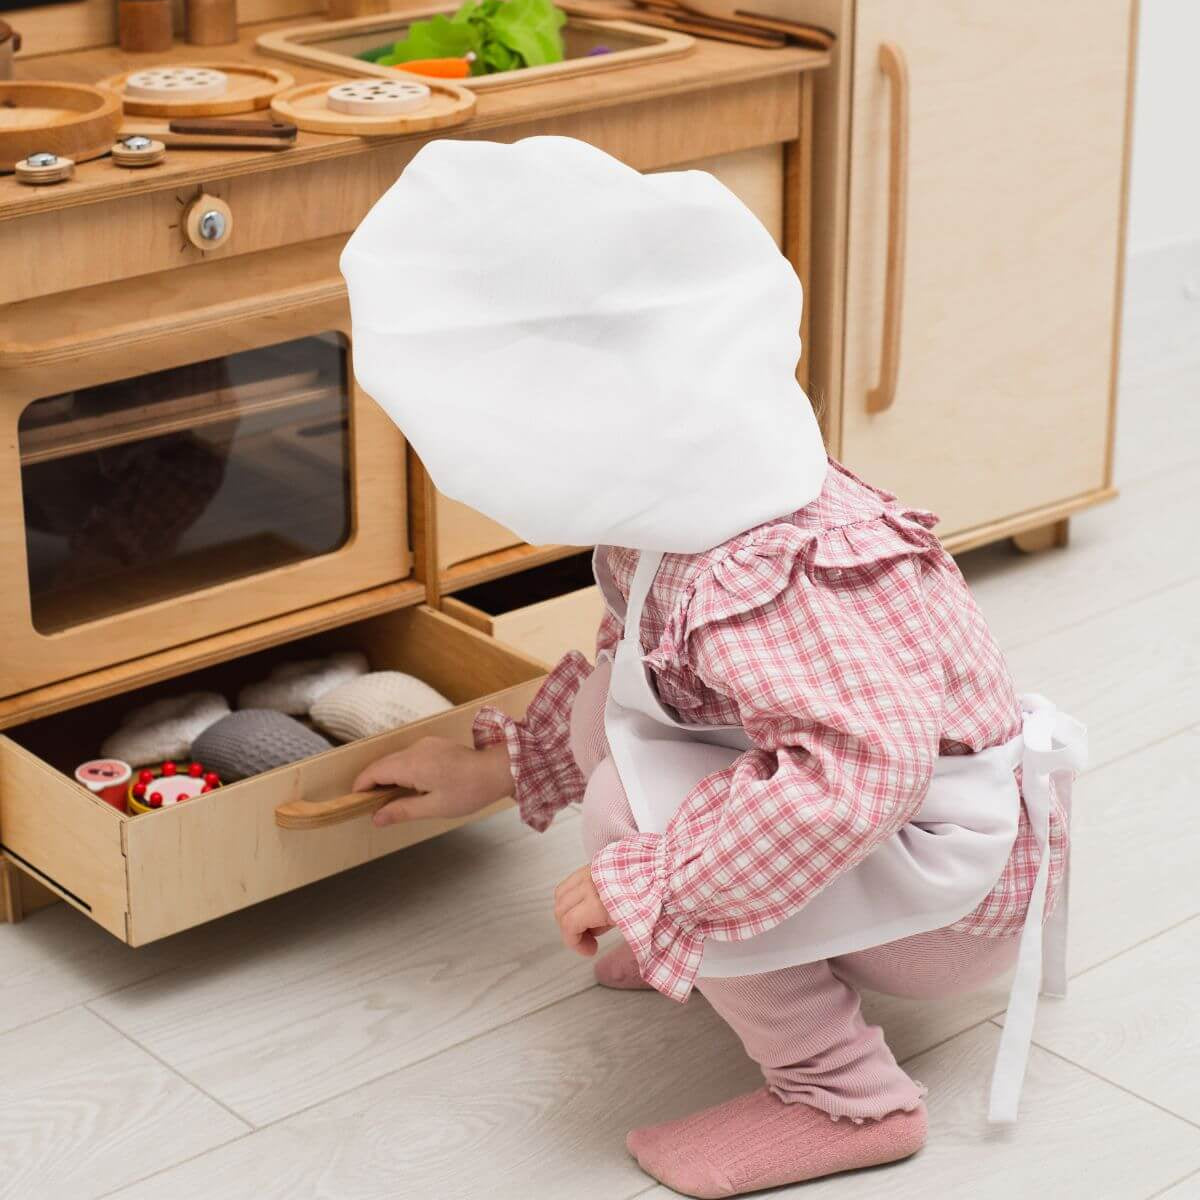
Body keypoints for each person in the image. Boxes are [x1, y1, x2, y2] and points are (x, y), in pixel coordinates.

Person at [341, 135, 1084, 1198]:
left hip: (951, 894)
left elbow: (863, 771)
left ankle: (845, 1096)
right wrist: (499, 766)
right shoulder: (698, 499)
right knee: (624, 718)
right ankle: (728, 939)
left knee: (628, 812)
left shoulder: (757, 572)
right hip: (914, 829)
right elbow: (635, 685)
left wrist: (663, 885)